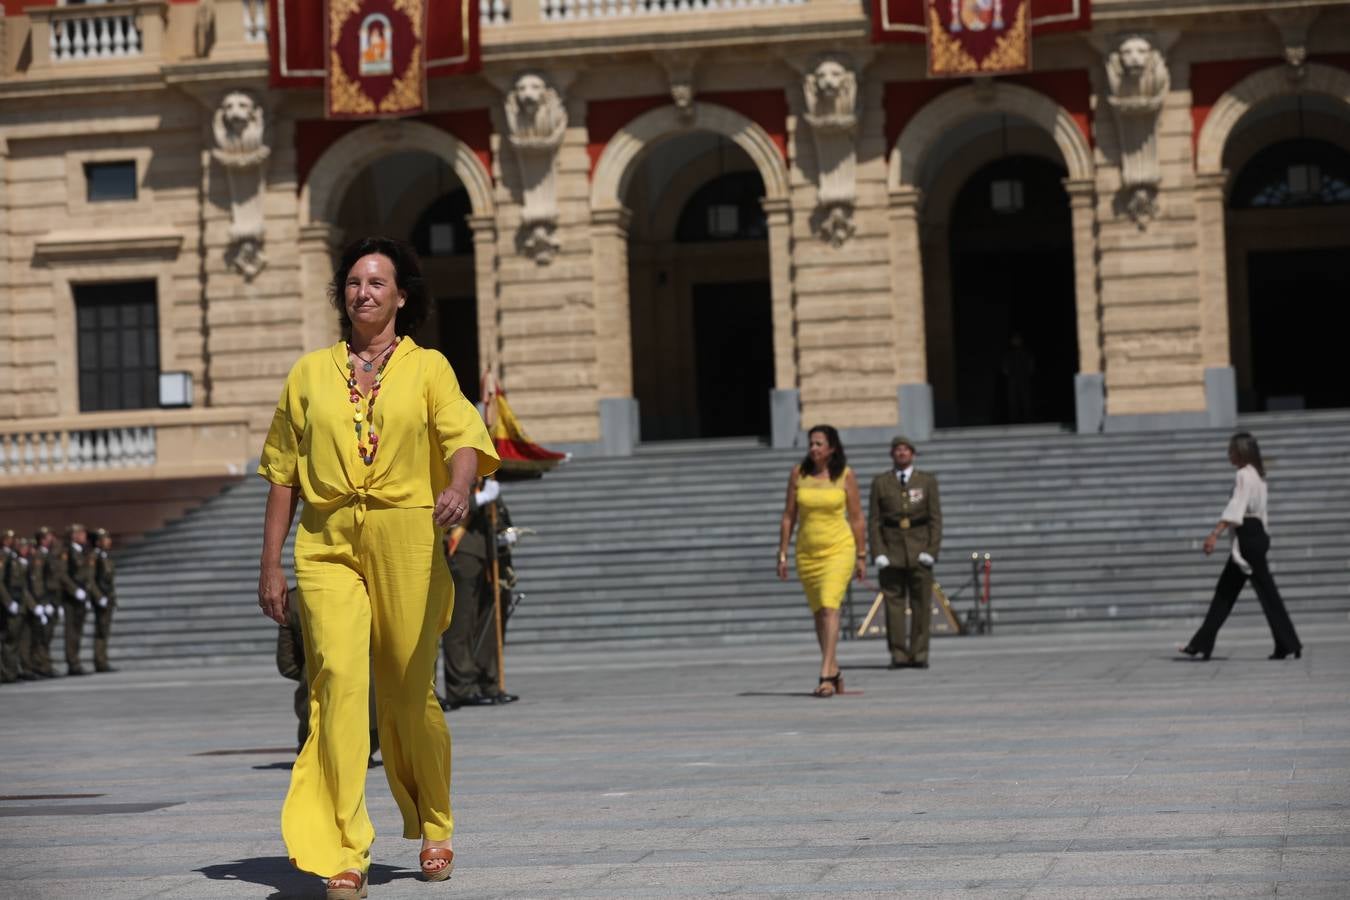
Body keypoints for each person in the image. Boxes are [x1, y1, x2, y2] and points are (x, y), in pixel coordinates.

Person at [255, 235, 498, 899]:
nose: (362, 292)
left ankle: (435, 819)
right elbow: (282, 475)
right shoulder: (309, 374)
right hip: (327, 540)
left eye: (376, 282)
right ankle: (344, 850)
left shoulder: (429, 369)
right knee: (334, 683)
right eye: (354, 282)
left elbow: (463, 435)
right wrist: (270, 563)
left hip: (405, 538)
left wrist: (458, 486)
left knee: (406, 691)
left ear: (401, 296)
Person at [1180, 432, 1303, 662]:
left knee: (1234, 593)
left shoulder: (1243, 475)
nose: (1229, 454)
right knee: (1240, 592)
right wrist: (1262, 537)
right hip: (1257, 535)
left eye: (1231, 450)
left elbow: (1236, 508)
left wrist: (1214, 534)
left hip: (1247, 537)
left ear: (1241, 452)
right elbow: (1260, 512)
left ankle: (1201, 644)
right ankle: (1287, 644)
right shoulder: (1258, 476)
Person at [776, 425, 865, 698]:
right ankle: (835, 671)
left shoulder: (845, 476)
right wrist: (782, 553)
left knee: (830, 608)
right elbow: (789, 516)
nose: (813, 448)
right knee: (819, 614)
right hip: (807, 552)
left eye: (819, 444)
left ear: (832, 448)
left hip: (838, 549)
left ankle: (825, 676)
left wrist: (862, 555)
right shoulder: (798, 474)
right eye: (811, 444)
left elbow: (857, 517)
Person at [440, 477, 518, 709]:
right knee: (460, 626)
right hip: (460, 556)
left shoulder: (487, 481)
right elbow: (446, 510)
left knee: (481, 625)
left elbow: (495, 516)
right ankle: (461, 688)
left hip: (485, 556)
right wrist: (478, 500)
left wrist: (503, 533)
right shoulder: (455, 477)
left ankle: (484, 682)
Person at [276, 586, 379, 763]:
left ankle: (314, 747)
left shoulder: (293, 600)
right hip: (370, 706)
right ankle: (361, 750)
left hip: (316, 700)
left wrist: (308, 673)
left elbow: (287, 664)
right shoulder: (375, 595)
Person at [868, 436, 943, 670]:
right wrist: (877, 551)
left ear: (913, 454)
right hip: (891, 551)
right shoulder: (881, 482)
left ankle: (920, 653)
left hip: (920, 549)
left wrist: (932, 549)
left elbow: (935, 519)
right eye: (897, 450)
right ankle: (898, 654)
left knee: (922, 605)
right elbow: (874, 520)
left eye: (906, 450)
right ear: (892, 454)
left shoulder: (927, 481)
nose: (902, 453)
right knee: (894, 606)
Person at [59, 523, 97, 676]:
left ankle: (76, 661)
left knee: (78, 631)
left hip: (82, 596)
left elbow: (87, 575)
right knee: (71, 632)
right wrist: (75, 591)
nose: (84, 536)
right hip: (71, 598)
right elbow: (63, 574)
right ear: (73, 535)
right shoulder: (67, 552)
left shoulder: (83, 551)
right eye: (81, 533)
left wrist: (86, 594)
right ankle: (72, 663)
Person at [6, 536, 38, 680]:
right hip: (14, 605)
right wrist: (8, 603)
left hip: (22, 605)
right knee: (11, 642)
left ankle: (19, 670)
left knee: (23, 641)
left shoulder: (21, 563)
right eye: (23, 547)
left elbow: (24, 588)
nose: (26, 550)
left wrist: (33, 606)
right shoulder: (9, 562)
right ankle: (9, 673)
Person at [30, 527, 60, 678]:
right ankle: (41, 666)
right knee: (42, 636)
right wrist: (42, 602)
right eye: (48, 537)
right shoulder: (39, 556)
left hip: (52, 599)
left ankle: (45, 664)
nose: (52, 539)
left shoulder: (49, 554)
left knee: (47, 636)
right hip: (45, 599)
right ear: (42, 540)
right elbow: (38, 580)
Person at [91, 528, 118, 673]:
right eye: (105, 539)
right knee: (101, 631)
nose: (109, 541)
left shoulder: (105, 556)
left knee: (104, 631)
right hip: (101, 598)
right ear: (98, 542)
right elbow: (91, 579)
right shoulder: (94, 557)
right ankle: (100, 661)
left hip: (108, 598)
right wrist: (98, 597)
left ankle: (103, 660)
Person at [1, 529, 20, 683]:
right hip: (5, 606)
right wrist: (8, 602)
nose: (13, 541)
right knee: (8, 640)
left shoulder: (12, 557)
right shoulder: (3, 556)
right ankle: (6, 673)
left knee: (13, 640)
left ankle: (12, 672)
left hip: (15, 601)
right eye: (10, 539)